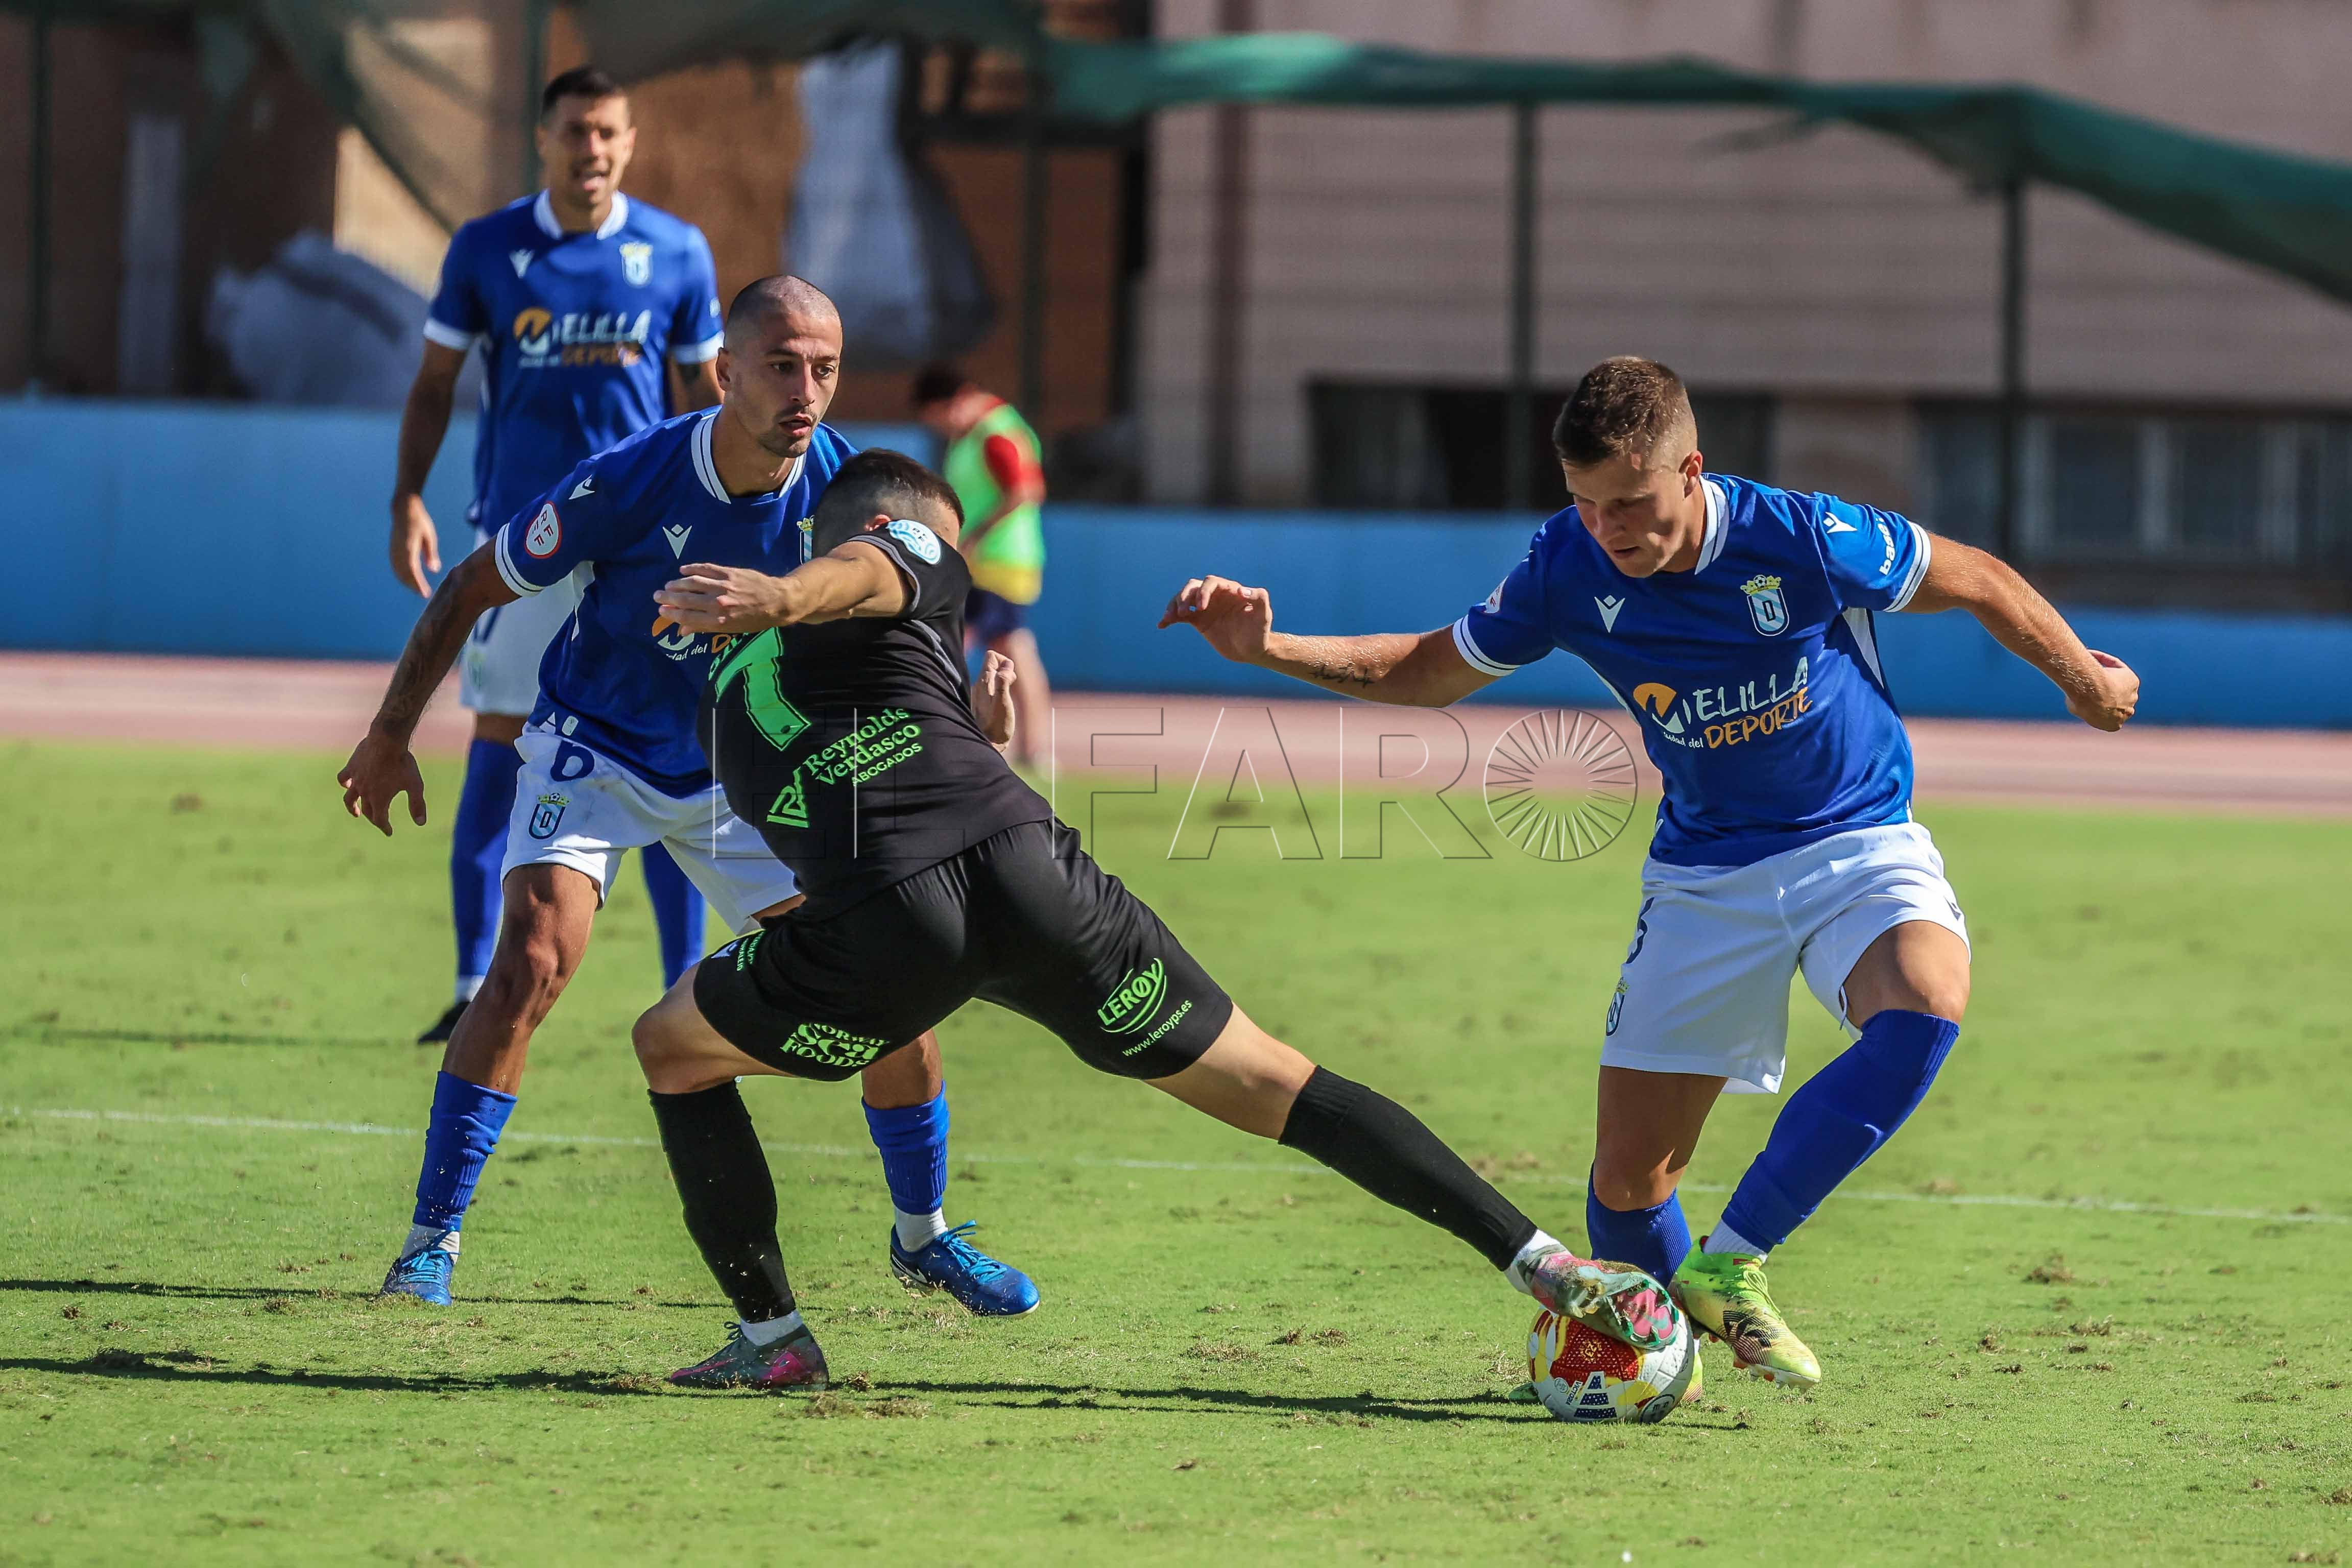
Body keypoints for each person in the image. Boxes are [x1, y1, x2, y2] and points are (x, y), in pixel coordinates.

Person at [1160, 356, 2141, 1390]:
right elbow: (1426, 668)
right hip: (1704, 874)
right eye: (1583, 504)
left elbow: (1977, 576)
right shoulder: (1563, 566)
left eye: (1626, 503)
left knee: (1926, 1001)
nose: (1605, 528)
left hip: (1855, 839)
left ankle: (1735, 1258)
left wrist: (2081, 676)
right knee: (1628, 1183)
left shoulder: (1801, 536)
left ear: (1690, 470)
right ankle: (1681, 1348)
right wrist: (1270, 650)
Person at [622, 447, 1678, 1390]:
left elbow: (847, 812)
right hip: (1032, 883)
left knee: (672, 1048)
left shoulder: (723, 694)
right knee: (1280, 1081)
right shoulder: (896, 544)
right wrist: (789, 590)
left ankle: (775, 1334)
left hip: (896, 928)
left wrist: (941, 728)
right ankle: (1544, 1261)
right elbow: (875, 574)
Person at [340, 276, 1036, 1316]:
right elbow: (473, 582)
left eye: (826, 369)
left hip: (749, 773)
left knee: (894, 976)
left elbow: (909, 631)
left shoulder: (853, 500)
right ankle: (429, 1240)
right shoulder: (631, 478)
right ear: (724, 371)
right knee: (530, 960)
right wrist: (391, 731)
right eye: (782, 365)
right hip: (600, 747)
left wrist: (971, 716)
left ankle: (923, 1235)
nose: (807, 391)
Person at [391, 66, 711, 1046]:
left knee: (671, 757)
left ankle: (688, 989)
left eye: (610, 133)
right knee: (497, 741)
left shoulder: (676, 251)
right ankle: (467, 978)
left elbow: (702, 399)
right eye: (577, 132)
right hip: (522, 540)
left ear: (631, 139)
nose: (594, 151)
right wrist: (407, 493)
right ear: (545, 138)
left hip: (644, 546)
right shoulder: (489, 249)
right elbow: (436, 383)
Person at [912, 364, 1051, 765]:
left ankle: (1023, 745)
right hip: (988, 562)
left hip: (999, 561)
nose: (938, 426)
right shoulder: (976, 434)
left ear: (953, 402)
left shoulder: (995, 434)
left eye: (937, 416)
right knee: (1000, 645)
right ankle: (1024, 747)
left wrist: (973, 538)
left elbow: (1025, 491)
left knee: (985, 644)